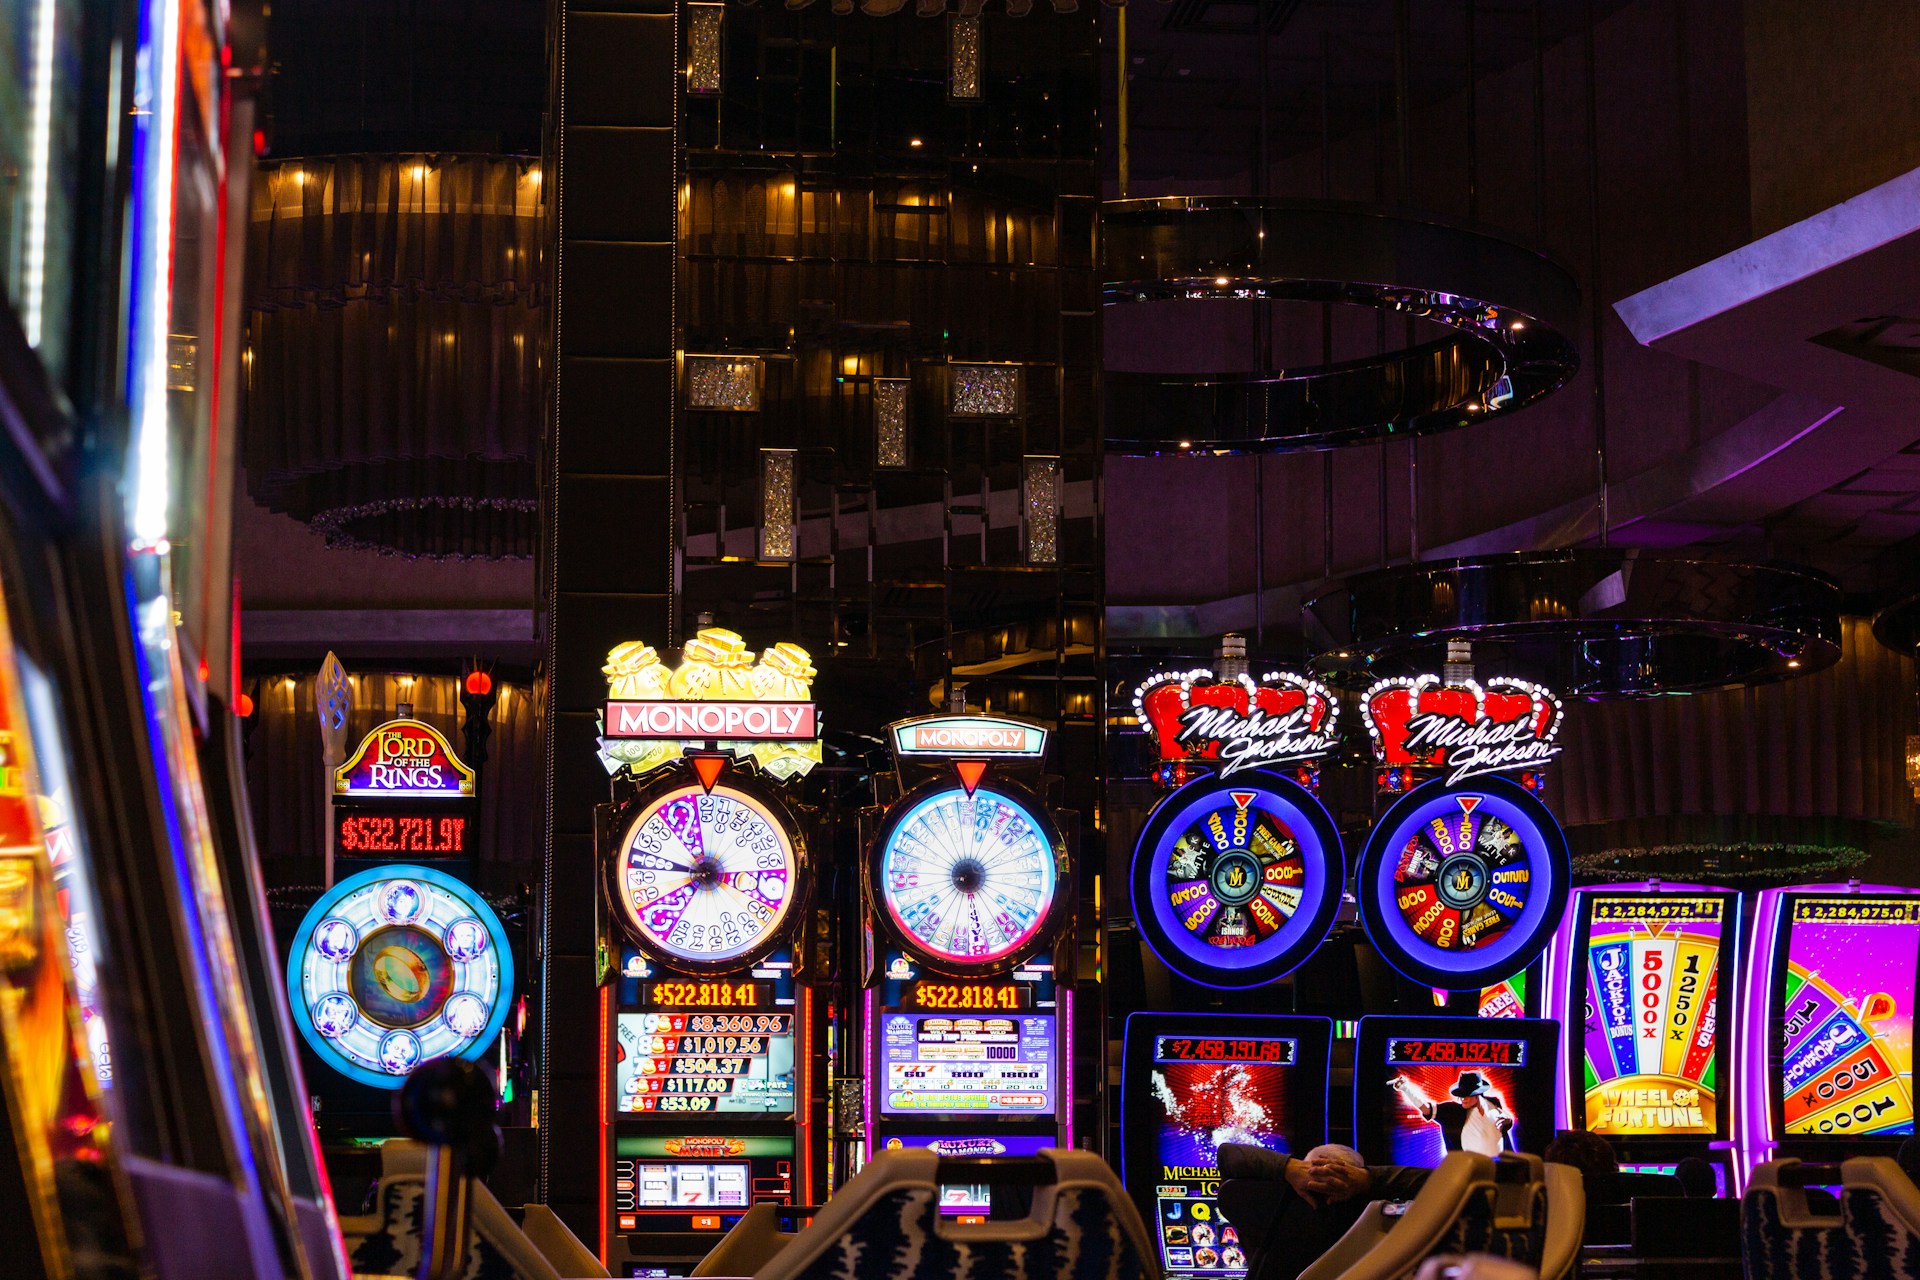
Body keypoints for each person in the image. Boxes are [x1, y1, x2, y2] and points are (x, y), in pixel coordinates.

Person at [1217, 1142, 1429, 1280]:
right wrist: (1369, 1179)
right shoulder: (1379, 1214)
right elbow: (1442, 1179)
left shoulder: (1270, 1205)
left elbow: (1228, 1155)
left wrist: (1288, 1168)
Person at [1393, 1071, 1513, 1158]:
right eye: (1460, 1095)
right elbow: (1426, 1109)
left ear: (1477, 1094)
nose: (1462, 1099)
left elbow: (1504, 1119)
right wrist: (1405, 1089)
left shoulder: (1493, 1102)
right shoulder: (1452, 1111)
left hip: (1500, 1169)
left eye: (1466, 1095)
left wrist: (1508, 1121)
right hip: (1468, 1171)